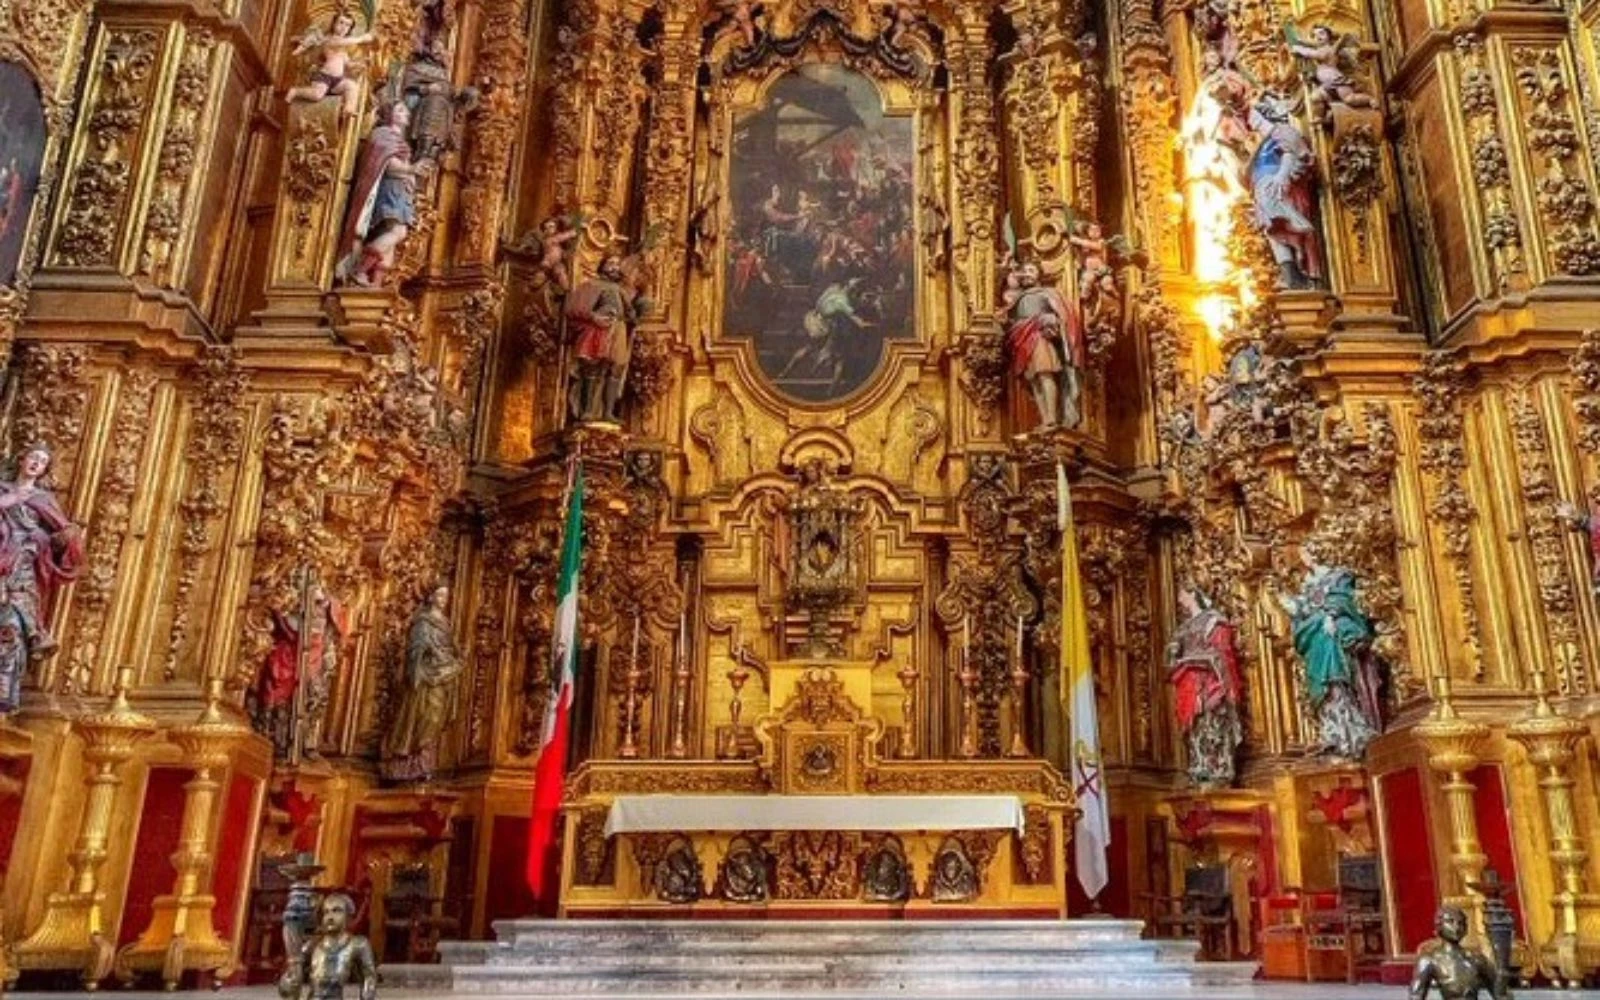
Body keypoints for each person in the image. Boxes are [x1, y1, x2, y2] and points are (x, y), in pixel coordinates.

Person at [0, 444, 83, 713]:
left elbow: (61, 538)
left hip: (23, 568)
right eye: (33, 457)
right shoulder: (3, 489)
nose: (36, 463)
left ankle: (4, 691)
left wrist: (56, 538)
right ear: (21, 459)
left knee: (11, 627)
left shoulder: (43, 500)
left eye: (43, 461)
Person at [1281, 548, 1384, 760]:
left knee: (1336, 684)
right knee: (1322, 689)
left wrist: (1330, 615)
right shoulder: (1308, 584)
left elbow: (1344, 600)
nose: (1303, 559)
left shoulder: (1339, 576)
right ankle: (1332, 732)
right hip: (1315, 640)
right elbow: (1302, 611)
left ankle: (1348, 735)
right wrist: (1291, 605)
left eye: (1306, 553)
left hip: (1333, 637)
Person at [335, 103, 432, 287]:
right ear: (390, 115)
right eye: (400, 110)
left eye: (406, 110)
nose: (407, 113)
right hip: (391, 189)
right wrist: (411, 169)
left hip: (401, 191)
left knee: (390, 237)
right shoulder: (383, 134)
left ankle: (375, 284)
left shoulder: (397, 137)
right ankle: (360, 268)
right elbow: (387, 162)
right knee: (398, 232)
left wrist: (412, 175)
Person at [381, 585, 462, 781]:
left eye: (446, 595)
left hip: (444, 675)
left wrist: (453, 657)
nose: (443, 599)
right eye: (440, 594)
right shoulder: (423, 622)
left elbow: (450, 647)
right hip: (426, 677)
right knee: (426, 716)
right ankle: (412, 761)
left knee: (436, 718)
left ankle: (423, 761)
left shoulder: (445, 622)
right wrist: (419, 668)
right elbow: (415, 650)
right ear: (431, 596)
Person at [1167, 587, 1244, 787]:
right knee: (1196, 728)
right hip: (1189, 686)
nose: (1180, 598)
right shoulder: (1183, 628)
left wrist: (1198, 660)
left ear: (1193, 593)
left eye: (1182, 593)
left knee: (1214, 724)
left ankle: (1218, 769)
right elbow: (1170, 659)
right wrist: (1174, 655)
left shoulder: (1213, 620)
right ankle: (1200, 767)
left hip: (1211, 682)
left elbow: (1222, 652)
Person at [1248, 93, 1326, 289]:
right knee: (1273, 230)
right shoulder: (1262, 141)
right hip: (1264, 188)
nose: (1253, 121)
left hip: (1280, 187)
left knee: (1287, 224)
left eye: (1256, 117)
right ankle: (1289, 273)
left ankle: (1300, 272)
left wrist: (1282, 176)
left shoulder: (1282, 131)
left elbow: (1293, 153)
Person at [1004, 259, 1084, 429]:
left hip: (1040, 338)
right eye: (1024, 271)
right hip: (1023, 341)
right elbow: (1012, 320)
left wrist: (1052, 320)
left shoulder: (1047, 293)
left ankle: (1053, 418)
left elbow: (1064, 315)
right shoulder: (1018, 300)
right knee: (1034, 381)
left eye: (1031, 270)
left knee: (1045, 374)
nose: (1027, 274)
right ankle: (1045, 418)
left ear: (1039, 274)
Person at [566, 254, 641, 423]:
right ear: (602, 266)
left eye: (617, 264)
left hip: (619, 329)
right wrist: (593, 317)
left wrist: (634, 316)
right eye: (611, 263)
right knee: (593, 367)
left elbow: (629, 312)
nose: (614, 267)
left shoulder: (622, 290)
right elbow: (574, 309)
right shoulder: (592, 285)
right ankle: (587, 410)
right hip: (599, 329)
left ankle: (608, 412)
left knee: (615, 369)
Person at [278, 893, 377, 1000]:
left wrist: (367, 995)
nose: (330, 917)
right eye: (326, 912)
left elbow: (369, 976)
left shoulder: (357, 945)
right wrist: (290, 979)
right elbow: (291, 976)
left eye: (336, 911)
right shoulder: (313, 945)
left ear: (348, 915)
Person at [285, 11, 375, 118]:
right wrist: (362, 38)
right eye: (341, 23)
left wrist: (361, 63)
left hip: (337, 81)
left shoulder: (343, 50)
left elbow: (348, 64)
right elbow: (346, 42)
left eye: (347, 25)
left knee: (351, 86)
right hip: (324, 77)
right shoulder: (330, 40)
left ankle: (348, 109)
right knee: (317, 95)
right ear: (334, 24)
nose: (343, 27)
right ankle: (296, 91)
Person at [1408, 905, 1507, 999]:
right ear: (1439, 926)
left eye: (1461, 923)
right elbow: (1416, 996)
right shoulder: (1429, 960)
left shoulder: (1477, 959)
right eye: (1450, 921)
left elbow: (1500, 994)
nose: (1456, 927)